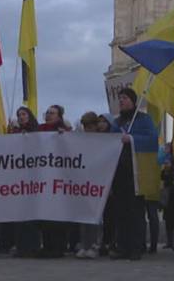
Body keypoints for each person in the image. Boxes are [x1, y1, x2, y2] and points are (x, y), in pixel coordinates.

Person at [110, 87, 157, 261]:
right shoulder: (117, 122)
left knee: (135, 211)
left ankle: (137, 247)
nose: (121, 101)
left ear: (133, 101)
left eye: (124, 98)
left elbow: (152, 139)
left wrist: (132, 139)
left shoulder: (144, 119)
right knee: (120, 210)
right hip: (119, 171)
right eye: (120, 98)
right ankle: (123, 246)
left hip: (136, 171)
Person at [10, 106, 41, 257]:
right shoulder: (14, 133)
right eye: (18, 115)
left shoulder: (38, 132)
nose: (21, 117)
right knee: (19, 214)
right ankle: (21, 246)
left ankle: (33, 246)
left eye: (23, 114)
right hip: (18, 179)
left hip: (33, 178)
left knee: (32, 214)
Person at [76, 111, 105, 259]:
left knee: (96, 216)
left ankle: (95, 244)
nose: (88, 129)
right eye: (85, 126)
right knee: (83, 215)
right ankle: (84, 244)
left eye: (90, 126)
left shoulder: (104, 141)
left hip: (98, 182)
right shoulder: (81, 140)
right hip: (84, 182)